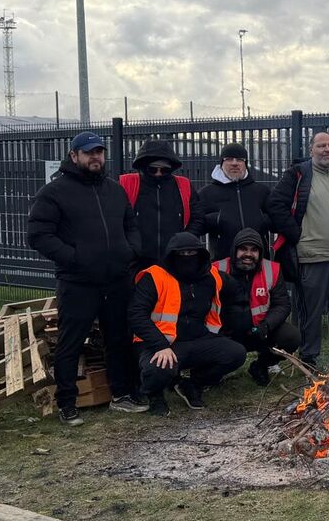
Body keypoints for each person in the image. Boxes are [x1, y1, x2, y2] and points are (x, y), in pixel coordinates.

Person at [26, 131, 146, 425]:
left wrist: (131, 250)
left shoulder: (114, 190)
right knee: (71, 342)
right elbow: (38, 234)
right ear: (74, 156)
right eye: (89, 152)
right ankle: (67, 403)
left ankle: (121, 395)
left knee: (117, 338)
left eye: (99, 152)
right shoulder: (54, 192)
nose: (95, 157)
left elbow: (130, 224)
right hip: (78, 283)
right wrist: (74, 258)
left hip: (117, 279)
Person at [267, 132, 329, 366]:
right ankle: (310, 358)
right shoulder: (298, 174)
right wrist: (297, 234)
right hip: (313, 257)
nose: (327, 149)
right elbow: (275, 204)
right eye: (321, 145)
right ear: (311, 150)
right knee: (311, 313)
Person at [130, 233, 247, 415]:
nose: (187, 257)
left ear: (201, 254)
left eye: (192, 252)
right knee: (159, 367)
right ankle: (155, 396)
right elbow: (136, 315)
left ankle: (192, 385)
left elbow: (237, 294)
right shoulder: (154, 277)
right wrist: (160, 345)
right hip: (160, 344)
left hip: (199, 339)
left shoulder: (212, 277)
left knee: (236, 353)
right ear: (171, 255)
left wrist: (234, 324)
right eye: (182, 253)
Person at [215, 227, 300, 387]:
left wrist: (266, 325)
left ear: (260, 253)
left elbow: (282, 304)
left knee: (291, 336)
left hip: (259, 332)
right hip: (225, 334)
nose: (248, 254)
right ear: (234, 250)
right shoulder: (216, 270)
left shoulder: (272, 270)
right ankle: (210, 375)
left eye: (254, 250)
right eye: (243, 249)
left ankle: (260, 367)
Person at [120, 139, 205, 270]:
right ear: (144, 167)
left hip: (175, 260)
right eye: (153, 169)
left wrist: (183, 244)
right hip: (136, 262)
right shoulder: (128, 184)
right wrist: (130, 248)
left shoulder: (184, 186)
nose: (158, 174)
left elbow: (197, 218)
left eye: (164, 170)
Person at [199, 143, 274, 261]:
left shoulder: (262, 191)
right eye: (228, 159)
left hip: (258, 261)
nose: (234, 163)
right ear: (221, 163)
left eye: (240, 159)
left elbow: (276, 220)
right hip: (223, 263)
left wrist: (263, 220)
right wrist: (216, 220)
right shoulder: (206, 193)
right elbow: (197, 225)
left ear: (245, 164)